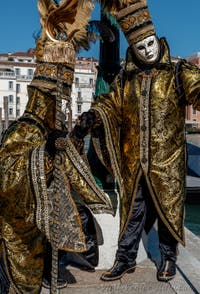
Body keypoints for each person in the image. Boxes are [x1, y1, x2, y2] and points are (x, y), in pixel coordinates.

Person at [71, 0, 200, 282]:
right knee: (132, 213)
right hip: (134, 163)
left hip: (167, 163)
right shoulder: (125, 81)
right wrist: (92, 118)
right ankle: (125, 259)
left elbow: (197, 89)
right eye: (141, 48)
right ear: (134, 50)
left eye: (151, 43)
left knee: (167, 212)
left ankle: (168, 258)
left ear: (156, 38)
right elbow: (109, 105)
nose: (148, 50)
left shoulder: (178, 73)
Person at [0, 1, 112, 293]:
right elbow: (9, 181)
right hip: (19, 239)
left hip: (43, 230)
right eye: (56, 100)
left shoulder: (51, 130)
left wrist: (78, 131)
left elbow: (66, 158)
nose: (59, 106)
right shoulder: (21, 131)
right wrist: (44, 154)